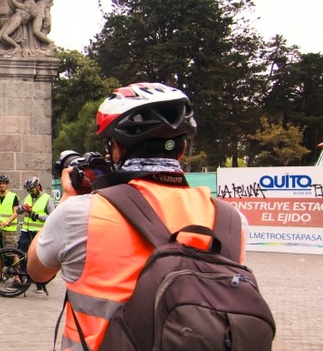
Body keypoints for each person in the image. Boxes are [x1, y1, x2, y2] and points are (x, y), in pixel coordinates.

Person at [27, 82, 248, 350]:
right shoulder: (231, 220)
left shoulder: (80, 213)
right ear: (182, 150)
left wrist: (68, 198)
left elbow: (37, 271)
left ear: (116, 150)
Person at [1, 176, 53, 292]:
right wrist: (22, 208)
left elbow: (52, 217)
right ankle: (20, 280)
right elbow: (18, 211)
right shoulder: (28, 198)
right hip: (26, 230)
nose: (30, 192)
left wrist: (36, 215)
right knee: (22, 256)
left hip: (38, 233)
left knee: (38, 258)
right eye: (28, 190)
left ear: (38, 187)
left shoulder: (47, 199)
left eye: (32, 190)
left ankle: (39, 282)